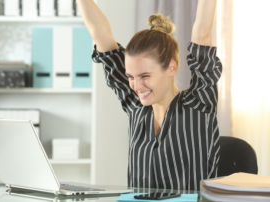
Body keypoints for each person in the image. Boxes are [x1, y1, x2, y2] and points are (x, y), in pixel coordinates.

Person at [76, 0, 222, 191]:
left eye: (145, 76)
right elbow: (101, 33)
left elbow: (202, 35)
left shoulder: (199, 104)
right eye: (130, 77)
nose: (136, 86)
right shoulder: (136, 106)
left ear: (171, 67)